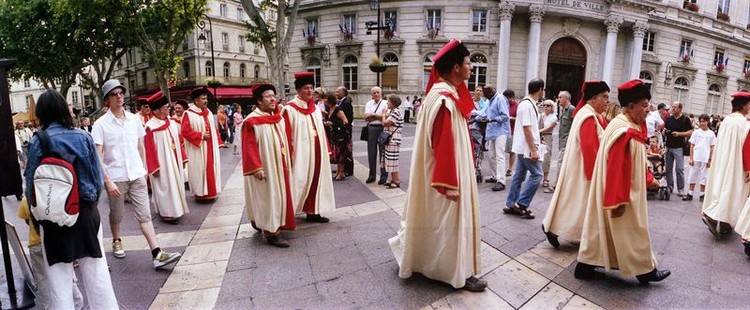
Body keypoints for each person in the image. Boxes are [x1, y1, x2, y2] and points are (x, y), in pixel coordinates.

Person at [389, 39, 486, 292]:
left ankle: (422, 260)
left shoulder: (437, 95)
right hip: (446, 177)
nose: (471, 69)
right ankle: (455, 273)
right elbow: (443, 145)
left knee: (432, 220)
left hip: (440, 175)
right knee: (449, 224)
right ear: (455, 68)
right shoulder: (443, 100)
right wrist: (449, 185)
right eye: (468, 64)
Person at [25, 89, 118, 308]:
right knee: (97, 274)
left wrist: (35, 218)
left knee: (59, 280)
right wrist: (90, 205)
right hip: (84, 212)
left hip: (53, 215)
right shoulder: (83, 136)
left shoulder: (38, 140)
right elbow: (97, 179)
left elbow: (31, 185)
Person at [575, 79, 670, 285]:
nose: (648, 109)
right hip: (623, 192)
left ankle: (585, 265)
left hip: (619, 189)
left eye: (648, 104)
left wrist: (648, 178)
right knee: (634, 229)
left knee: (603, 230)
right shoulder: (624, 130)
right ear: (631, 106)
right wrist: (617, 201)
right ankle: (644, 270)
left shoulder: (626, 124)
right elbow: (618, 168)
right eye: (644, 105)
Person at [92, 79, 182, 268]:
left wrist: (143, 170)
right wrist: (107, 180)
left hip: (136, 175)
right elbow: (98, 154)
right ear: (107, 99)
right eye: (113, 94)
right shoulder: (100, 124)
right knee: (117, 213)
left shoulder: (134, 120)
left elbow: (141, 146)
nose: (118, 96)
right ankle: (116, 239)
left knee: (145, 215)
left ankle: (157, 253)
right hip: (116, 177)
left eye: (120, 93)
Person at [542, 81, 610, 248]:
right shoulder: (588, 116)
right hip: (583, 170)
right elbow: (589, 147)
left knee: (573, 204)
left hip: (579, 167)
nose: (608, 101)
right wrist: (593, 175)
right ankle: (552, 228)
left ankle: (555, 227)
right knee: (574, 204)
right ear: (593, 99)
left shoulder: (589, 113)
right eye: (605, 97)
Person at [242, 84, 296, 247]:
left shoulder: (276, 117)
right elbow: (248, 146)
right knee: (268, 197)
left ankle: (266, 222)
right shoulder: (252, 121)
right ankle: (272, 233)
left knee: (278, 196)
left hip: (280, 165)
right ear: (259, 101)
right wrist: (256, 168)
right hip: (266, 167)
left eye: (273, 95)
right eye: (267, 96)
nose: (273, 99)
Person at [282, 72, 334, 223]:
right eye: (306, 88)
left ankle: (313, 211)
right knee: (299, 181)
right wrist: (288, 156)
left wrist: (328, 149)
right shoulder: (289, 109)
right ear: (298, 90)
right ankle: (288, 213)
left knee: (317, 180)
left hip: (318, 152)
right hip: (300, 154)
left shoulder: (316, 109)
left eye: (312, 88)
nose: (310, 91)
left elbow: (321, 131)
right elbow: (285, 135)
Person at [701, 92, 750, 240]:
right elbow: (747, 147)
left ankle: (724, 223)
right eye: (748, 104)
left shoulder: (726, 120)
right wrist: (748, 167)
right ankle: (714, 217)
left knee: (722, 186)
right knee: (733, 190)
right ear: (743, 105)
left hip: (722, 160)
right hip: (737, 163)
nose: (749, 107)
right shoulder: (745, 123)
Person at [143, 91, 189, 224]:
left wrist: (183, 157)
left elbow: (178, 140)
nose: (169, 110)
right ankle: (168, 214)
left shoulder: (170, 121)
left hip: (174, 161)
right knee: (165, 187)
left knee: (175, 186)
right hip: (162, 164)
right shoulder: (150, 127)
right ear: (157, 110)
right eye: (166, 107)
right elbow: (149, 150)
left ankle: (176, 210)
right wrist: (154, 168)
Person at [504, 79, 546, 220]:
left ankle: (510, 204)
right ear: (540, 89)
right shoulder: (528, 105)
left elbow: (529, 128)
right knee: (537, 175)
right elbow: (527, 128)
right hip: (526, 148)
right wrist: (534, 150)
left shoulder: (526, 104)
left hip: (522, 147)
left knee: (519, 176)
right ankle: (521, 204)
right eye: (543, 89)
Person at [182, 86, 223, 201]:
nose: (206, 101)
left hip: (210, 147)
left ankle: (211, 192)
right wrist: (200, 136)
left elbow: (214, 128)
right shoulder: (188, 114)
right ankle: (201, 194)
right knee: (200, 169)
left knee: (211, 168)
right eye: (203, 99)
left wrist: (218, 142)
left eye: (206, 98)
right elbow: (185, 131)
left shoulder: (209, 112)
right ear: (196, 101)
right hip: (198, 148)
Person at [479, 85, 510, 191]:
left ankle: (501, 181)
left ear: (491, 92)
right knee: (491, 155)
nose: (484, 96)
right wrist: (474, 118)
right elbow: (483, 113)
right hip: (492, 131)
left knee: (500, 156)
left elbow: (505, 116)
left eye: (486, 93)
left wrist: (491, 120)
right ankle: (495, 176)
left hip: (501, 131)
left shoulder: (500, 99)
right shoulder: (489, 100)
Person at [683, 114, 716, 201]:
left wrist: (710, 159)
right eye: (700, 121)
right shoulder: (696, 132)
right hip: (696, 157)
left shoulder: (711, 134)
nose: (702, 123)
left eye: (704, 121)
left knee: (704, 176)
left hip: (705, 158)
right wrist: (691, 157)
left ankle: (702, 194)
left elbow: (712, 147)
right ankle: (690, 193)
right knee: (692, 174)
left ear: (707, 122)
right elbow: (692, 145)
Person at [664, 102, 693, 196]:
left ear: (680, 109)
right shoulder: (668, 119)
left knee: (679, 168)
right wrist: (665, 131)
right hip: (669, 146)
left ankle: (681, 189)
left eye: (675, 107)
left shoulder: (685, 119)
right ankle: (670, 187)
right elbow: (665, 129)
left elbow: (690, 132)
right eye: (672, 107)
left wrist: (679, 134)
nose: (673, 108)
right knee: (668, 168)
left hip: (679, 147)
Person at [547, 90, 573, 193]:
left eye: (560, 97)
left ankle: (556, 185)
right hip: (562, 141)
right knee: (563, 163)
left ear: (566, 98)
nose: (558, 99)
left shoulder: (571, 109)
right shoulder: (563, 109)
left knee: (560, 163)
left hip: (566, 142)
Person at [323, 93, 350, 181]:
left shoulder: (338, 109)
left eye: (326, 99)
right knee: (337, 154)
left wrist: (333, 124)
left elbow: (345, 121)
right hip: (334, 135)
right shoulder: (330, 108)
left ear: (330, 100)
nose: (324, 100)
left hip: (341, 135)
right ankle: (338, 172)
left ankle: (341, 173)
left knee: (341, 154)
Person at [363, 86, 388, 184]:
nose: (376, 94)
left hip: (382, 129)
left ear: (381, 93)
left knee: (383, 153)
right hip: (372, 129)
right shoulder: (369, 103)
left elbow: (386, 117)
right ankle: (372, 175)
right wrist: (379, 116)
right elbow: (366, 117)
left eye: (378, 92)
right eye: (374, 93)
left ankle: (383, 176)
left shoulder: (386, 103)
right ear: (371, 94)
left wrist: (373, 115)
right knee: (371, 153)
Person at [380, 94, 404, 188]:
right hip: (391, 139)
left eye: (388, 101)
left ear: (393, 103)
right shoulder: (393, 111)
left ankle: (396, 181)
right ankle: (393, 179)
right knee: (389, 160)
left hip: (393, 140)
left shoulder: (395, 112)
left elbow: (385, 123)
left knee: (392, 161)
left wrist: (383, 114)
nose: (387, 102)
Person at [335, 86, 354, 176]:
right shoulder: (339, 102)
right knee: (342, 150)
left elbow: (349, 118)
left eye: (338, 91)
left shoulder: (346, 103)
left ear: (343, 93)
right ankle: (342, 168)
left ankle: (349, 169)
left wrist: (344, 126)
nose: (336, 93)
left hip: (345, 130)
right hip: (340, 130)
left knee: (347, 150)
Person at [539, 99, 558, 188]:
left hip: (547, 137)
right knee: (538, 157)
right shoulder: (541, 116)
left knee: (546, 158)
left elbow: (549, 128)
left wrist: (538, 131)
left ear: (552, 107)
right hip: (539, 137)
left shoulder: (554, 117)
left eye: (548, 105)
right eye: (544, 105)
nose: (545, 107)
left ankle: (545, 178)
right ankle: (538, 176)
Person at [504, 90, 518, 177]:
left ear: (512, 97)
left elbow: (519, 119)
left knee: (511, 151)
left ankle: (510, 168)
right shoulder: (505, 104)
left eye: (507, 98)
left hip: (512, 131)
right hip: (504, 130)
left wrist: (510, 118)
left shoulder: (517, 105)